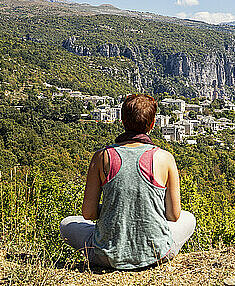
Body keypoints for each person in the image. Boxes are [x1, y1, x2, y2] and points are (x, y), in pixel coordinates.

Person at [59, 94, 196, 269]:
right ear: (153, 123)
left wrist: (115, 208)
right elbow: (174, 215)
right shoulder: (165, 158)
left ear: (122, 121)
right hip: (157, 253)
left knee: (67, 224)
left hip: (107, 256)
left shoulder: (102, 157)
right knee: (188, 218)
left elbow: (88, 213)